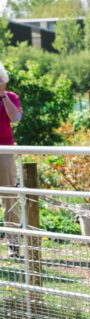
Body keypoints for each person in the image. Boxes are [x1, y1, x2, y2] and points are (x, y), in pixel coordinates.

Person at [0, 62, 23, 250]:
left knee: (9, 197)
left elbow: (15, 118)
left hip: (4, 150)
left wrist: (3, 97)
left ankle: (13, 244)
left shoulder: (11, 97)